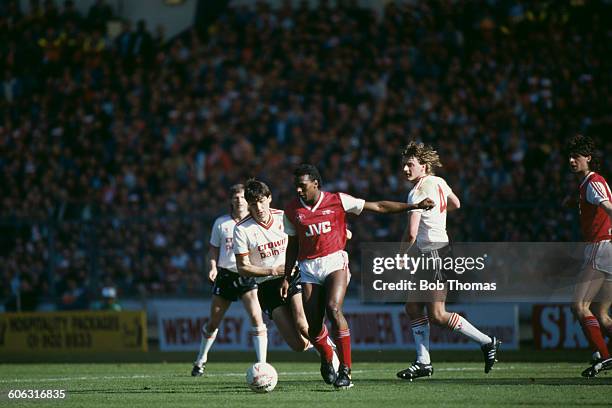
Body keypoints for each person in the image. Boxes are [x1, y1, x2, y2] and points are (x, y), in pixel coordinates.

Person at [280, 164, 435, 389]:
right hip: (308, 268)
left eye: (302, 186)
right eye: (296, 187)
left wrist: (414, 206)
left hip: (335, 261)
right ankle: (326, 356)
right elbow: (292, 245)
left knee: (333, 309)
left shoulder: (338, 200)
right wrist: (287, 276)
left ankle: (346, 370)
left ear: (315, 183)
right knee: (314, 327)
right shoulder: (292, 210)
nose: (298, 191)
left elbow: (379, 206)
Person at [396, 141, 501, 381]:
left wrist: (401, 254)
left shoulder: (417, 192)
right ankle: (423, 362)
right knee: (412, 307)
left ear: (423, 166)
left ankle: (487, 342)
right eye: (404, 164)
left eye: (410, 164)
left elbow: (411, 233)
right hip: (437, 250)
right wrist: (437, 217)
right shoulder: (439, 182)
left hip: (432, 253)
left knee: (438, 315)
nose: (405, 169)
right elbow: (456, 203)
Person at [191, 184, 264, 376]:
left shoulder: (255, 223)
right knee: (214, 321)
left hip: (247, 274)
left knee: (257, 317)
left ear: (248, 201)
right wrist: (213, 267)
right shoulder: (221, 223)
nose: (239, 200)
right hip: (226, 274)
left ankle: (262, 364)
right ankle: (201, 360)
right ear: (231, 201)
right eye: (236, 197)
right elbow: (213, 249)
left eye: (242, 197)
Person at [566, 134, 612, 377]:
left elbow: (605, 206)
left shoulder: (593, 182)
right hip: (608, 249)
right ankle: (601, 353)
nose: (572, 160)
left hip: (601, 248)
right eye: (570, 156)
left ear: (589, 159)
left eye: (577, 157)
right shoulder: (588, 183)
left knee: (579, 305)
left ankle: (604, 356)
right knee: (601, 315)